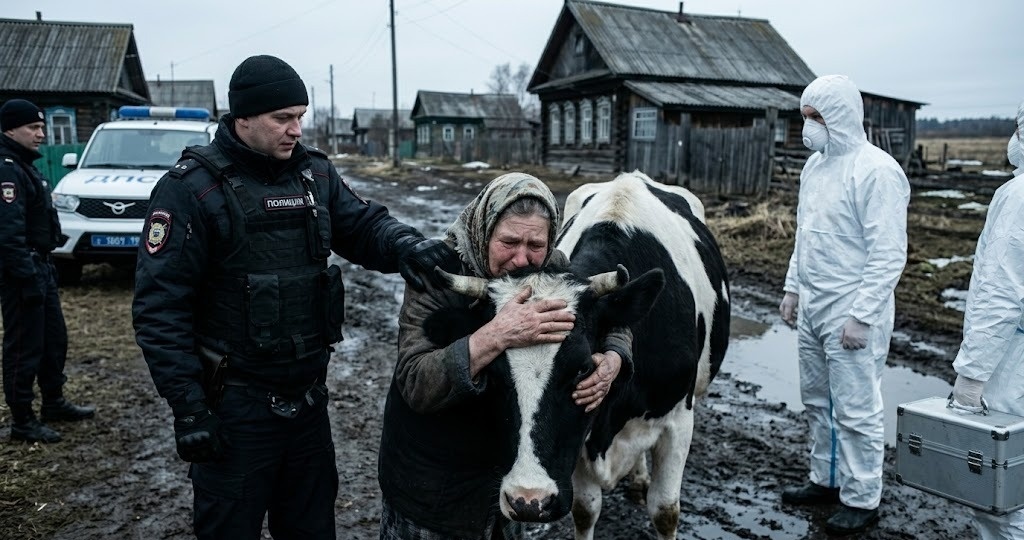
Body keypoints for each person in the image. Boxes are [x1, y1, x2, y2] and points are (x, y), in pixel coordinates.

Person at [131, 55, 458, 540]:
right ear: (242, 117)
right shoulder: (191, 191)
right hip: (235, 410)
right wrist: (190, 409)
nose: (296, 130)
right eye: (282, 118)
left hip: (307, 406)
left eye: (300, 117)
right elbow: (160, 308)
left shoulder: (314, 176)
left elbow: (364, 224)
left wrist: (405, 244)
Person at [377, 172, 633, 540]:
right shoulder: (437, 272)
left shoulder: (553, 270)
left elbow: (606, 318)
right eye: (508, 242)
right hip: (433, 490)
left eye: (535, 244)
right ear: (485, 230)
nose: (521, 259)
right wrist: (494, 336)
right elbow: (416, 383)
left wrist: (614, 358)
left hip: (513, 479)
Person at [777, 74, 910, 536]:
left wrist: (863, 314)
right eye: (804, 117)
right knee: (817, 399)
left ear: (840, 117)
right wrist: (794, 288)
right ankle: (826, 478)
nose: (808, 127)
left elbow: (888, 252)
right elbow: (805, 236)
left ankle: (862, 496)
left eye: (816, 117)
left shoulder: (876, 171)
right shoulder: (814, 168)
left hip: (851, 310)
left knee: (855, 408)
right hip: (815, 302)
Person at [950, 100, 1024, 540]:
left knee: (1004, 495)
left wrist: (972, 376)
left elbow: (1001, 292)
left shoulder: (1017, 197)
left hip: (1013, 364)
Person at [0, 99, 95, 444]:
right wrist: (25, 279)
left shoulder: (24, 164)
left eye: (42, 127)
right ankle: (22, 421)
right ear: (10, 129)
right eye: (33, 128)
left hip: (41, 265)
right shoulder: (7, 168)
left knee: (53, 341)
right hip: (22, 271)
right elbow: (7, 235)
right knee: (25, 346)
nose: (41, 134)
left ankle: (53, 402)